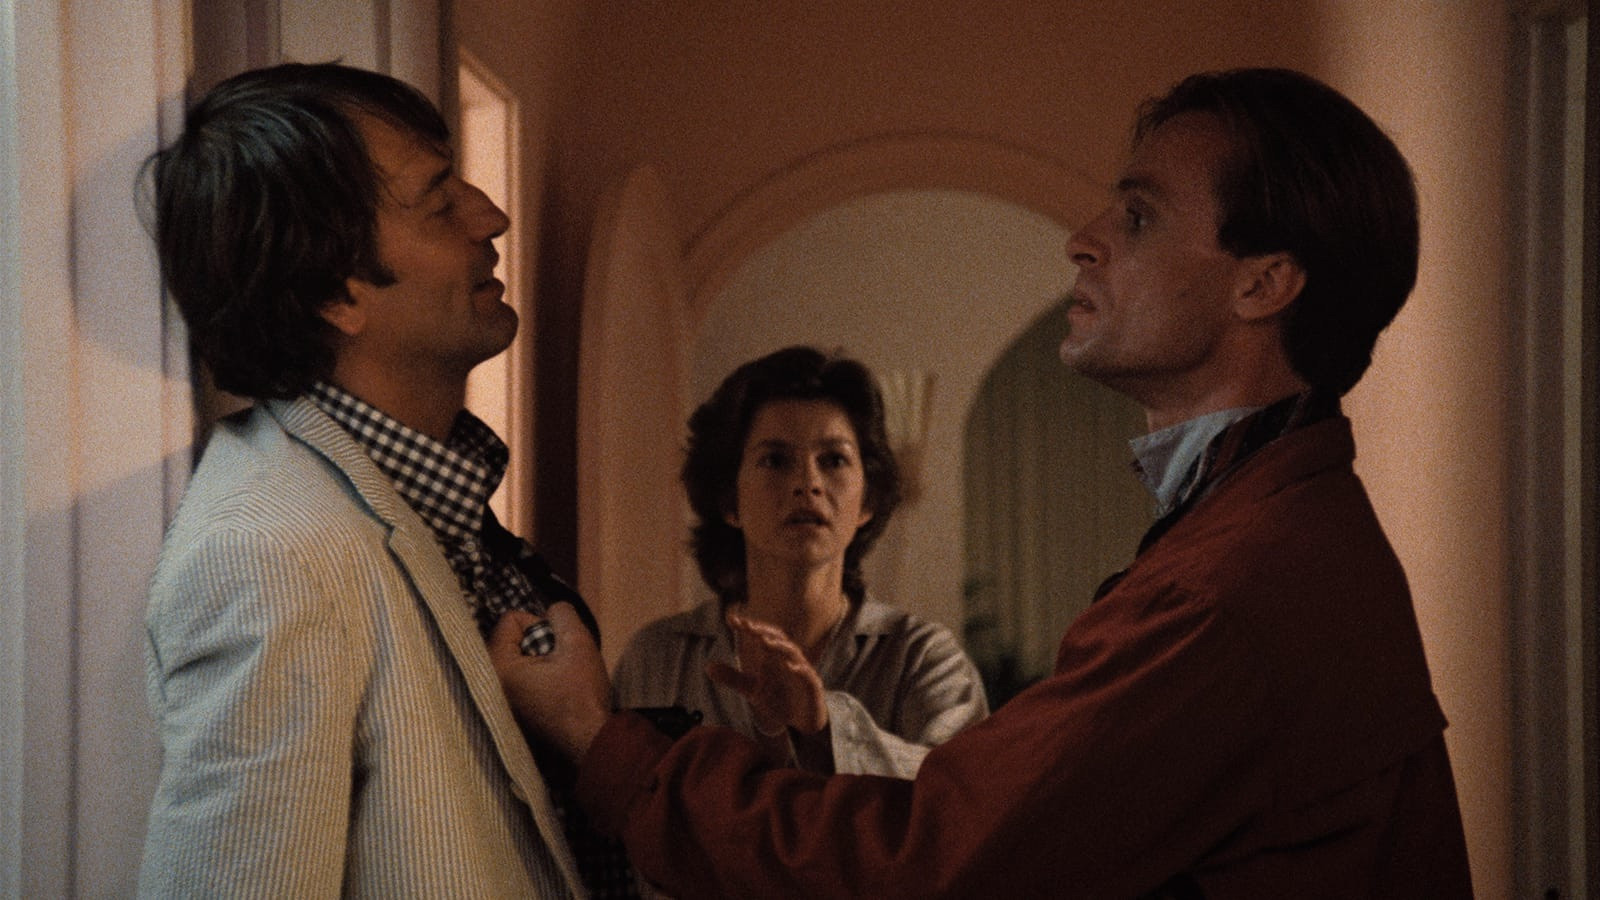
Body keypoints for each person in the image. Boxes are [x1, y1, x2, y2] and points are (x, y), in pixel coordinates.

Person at [490, 67, 1474, 897]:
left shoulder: (1231, 587)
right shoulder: (1264, 526)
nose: (1083, 238)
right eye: (773, 459)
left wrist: (599, 739)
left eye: (1138, 216)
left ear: (1263, 283)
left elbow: (936, 858)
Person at [138, 62, 611, 897]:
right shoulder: (269, 554)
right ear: (336, 294)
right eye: (438, 202)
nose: (491, 216)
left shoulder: (421, 497)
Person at [612, 346, 988, 778]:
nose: (807, 483)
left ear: (867, 500)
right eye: (775, 460)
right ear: (729, 500)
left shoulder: (922, 659)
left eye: (833, 460)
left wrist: (825, 729)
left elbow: (962, 796)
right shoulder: (658, 659)